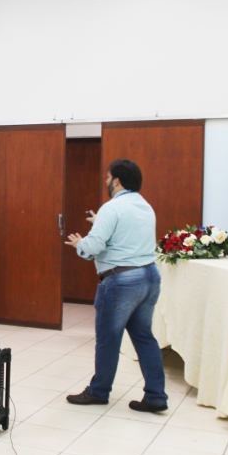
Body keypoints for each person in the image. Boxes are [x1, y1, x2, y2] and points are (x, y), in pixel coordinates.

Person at [64, 159, 168, 413]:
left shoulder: (112, 209)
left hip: (122, 282)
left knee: (108, 340)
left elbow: (93, 247)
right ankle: (156, 397)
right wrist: (100, 223)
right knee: (144, 338)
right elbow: (126, 234)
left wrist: (80, 243)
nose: (107, 183)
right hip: (149, 277)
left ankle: (99, 391)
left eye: (108, 178)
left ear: (117, 180)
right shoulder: (145, 206)